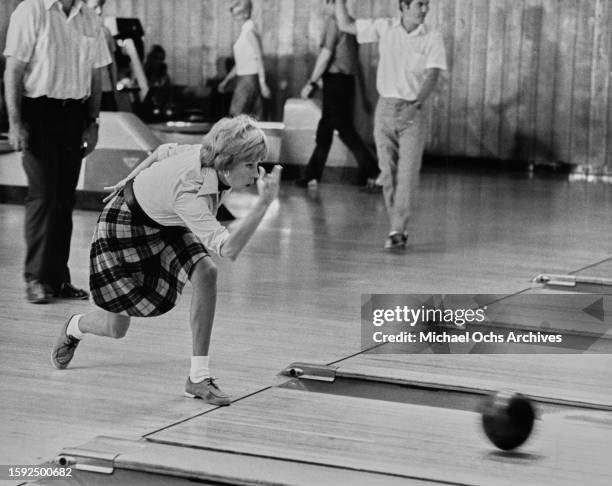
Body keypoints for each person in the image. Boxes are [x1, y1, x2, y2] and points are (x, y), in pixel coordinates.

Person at [51, 115, 282, 406]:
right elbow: (230, 249)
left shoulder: (205, 157)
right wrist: (263, 204)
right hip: (125, 226)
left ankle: (198, 378)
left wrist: (130, 178)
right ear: (225, 164)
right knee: (115, 329)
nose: (257, 172)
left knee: (206, 272)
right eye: (249, 165)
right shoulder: (189, 192)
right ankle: (76, 326)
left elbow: (160, 152)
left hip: (166, 221)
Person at [3, 0, 112, 303]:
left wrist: (93, 121)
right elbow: (14, 69)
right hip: (38, 114)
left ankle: (57, 279)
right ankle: (35, 278)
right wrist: (15, 123)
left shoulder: (88, 16)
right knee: (44, 196)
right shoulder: (31, 10)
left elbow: (96, 75)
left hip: (74, 116)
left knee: (64, 199)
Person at [336, 0, 447, 250]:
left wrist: (415, 104)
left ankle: (398, 229)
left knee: (406, 174)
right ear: (404, 6)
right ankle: (396, 224)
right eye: (419, 4)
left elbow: (433, 75)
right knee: (387, 173)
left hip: (413, 111)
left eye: (427, 5)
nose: (424, 9)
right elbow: (346, 24)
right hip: (385, 109)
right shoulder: (385, 28)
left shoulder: (433, 36)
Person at [296, 0, 379, 192]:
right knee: (327, 129)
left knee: (344, 130)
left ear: (329, 3)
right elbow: (356, 63)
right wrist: (364, 93)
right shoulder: (351, 24)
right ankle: (311, 174)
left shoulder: (333, 22)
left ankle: (373, 169)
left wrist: (311, 82)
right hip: (347, 83)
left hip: (335, 81)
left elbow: (326, 55)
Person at [218, 0, 271, 119]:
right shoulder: (245, 31)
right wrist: (227, 80)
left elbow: (259, 57)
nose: (235, 18)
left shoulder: (249, 31)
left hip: (249, 79)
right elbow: (240, 63)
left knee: (237, 115)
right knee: (245, 116)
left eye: (237, 15)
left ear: (245, 14)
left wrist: (263, 83)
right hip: (245, 78)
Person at [87, 0, 119, 111]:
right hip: (86, 92)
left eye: (101, 7)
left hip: (105, 90)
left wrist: (115, 92)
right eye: (95, 7)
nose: (99, 11)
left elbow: (112, 65)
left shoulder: (105, 32)